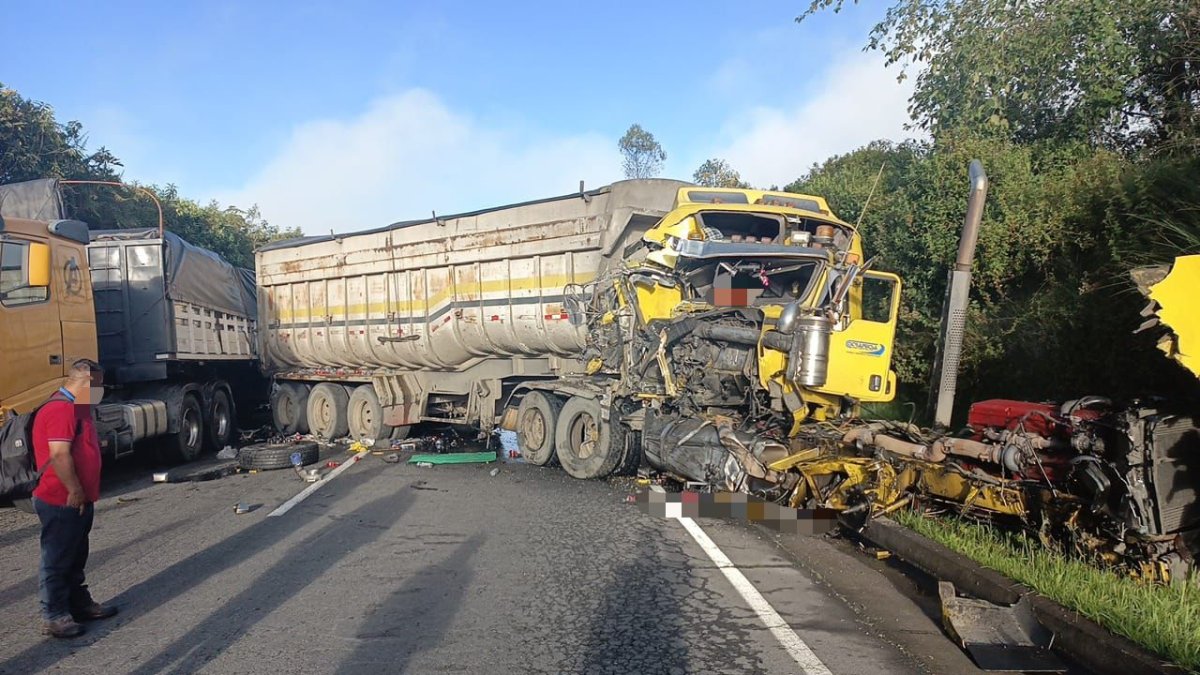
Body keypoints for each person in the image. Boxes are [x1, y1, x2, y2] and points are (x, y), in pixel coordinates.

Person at [31, 358, 117, 638]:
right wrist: (75, 489)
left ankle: (79, 604)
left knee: (76, 555)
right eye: (98, 385)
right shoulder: (60, 409)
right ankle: (55, 615)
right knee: (57, 558)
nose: (100, 391)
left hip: (79, 498)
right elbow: (58, 454)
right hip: (61, 498)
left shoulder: (78, 407)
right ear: (86, 382)